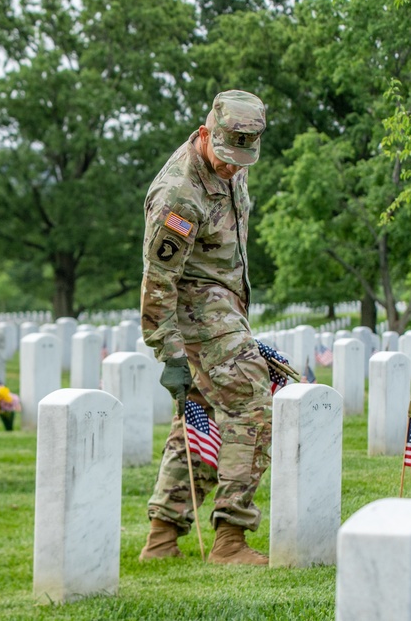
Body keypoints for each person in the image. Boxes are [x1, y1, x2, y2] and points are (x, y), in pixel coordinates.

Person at [138, 90, 272, 566]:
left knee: (198, 417)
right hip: (195, 312)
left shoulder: (232, 159)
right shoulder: (178, 195)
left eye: (243, 158)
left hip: (226, 308)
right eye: (226, 156)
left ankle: (161, 537)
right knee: (252, 406)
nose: (234, 167)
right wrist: (171, 358)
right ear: (203, 135)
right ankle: (230, 538)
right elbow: (157, 283)